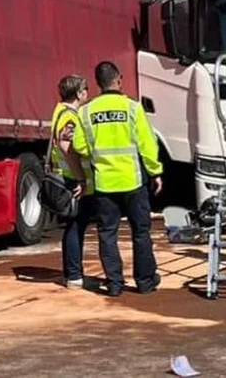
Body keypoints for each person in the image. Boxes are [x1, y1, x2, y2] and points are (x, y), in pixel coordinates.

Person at [72, 61, 163, 297]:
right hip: (132, 181)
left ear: (97, 83)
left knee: (107, 234)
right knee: (140, 232)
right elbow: (147, 144)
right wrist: (155, 171)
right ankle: (145, 281)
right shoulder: (132, 108)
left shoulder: (86, 112)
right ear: (119, 79)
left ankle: (114, 283)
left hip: (104, 183)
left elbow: (79, 145)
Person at [49, 74, 94, 289]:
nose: (88, 94)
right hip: (72, 179)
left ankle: (73, 273)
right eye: (85, 90)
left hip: (68, 176)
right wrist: (81, 178)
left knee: (74, 226)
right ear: (78, 93)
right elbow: (67, 148)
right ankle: (74, 275)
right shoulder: (69, 116)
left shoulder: (62, 112)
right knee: (76, 225)